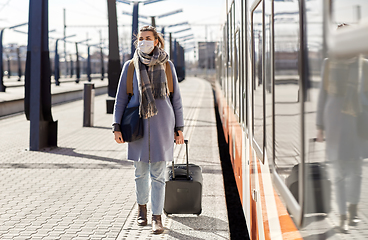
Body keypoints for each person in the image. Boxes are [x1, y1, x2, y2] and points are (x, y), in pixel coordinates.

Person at [112, 25, 184, 234]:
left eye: (148, 38)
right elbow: (120, 100)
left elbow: (176, 100)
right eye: (141, 38)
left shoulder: (168, 66)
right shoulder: (130, 66)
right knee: (140, 172)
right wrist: (116, 126)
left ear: (156, 41)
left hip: (163, 126)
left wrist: (179, 128)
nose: (144, 41)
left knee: (159, 175)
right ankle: (142, 210)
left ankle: (156, 217)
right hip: (137, 126)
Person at [316, 51, 366, 232]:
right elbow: (322, 94)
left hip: (357, 124)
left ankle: (353, 211)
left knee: (356, 172)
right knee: (338, 173)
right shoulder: (329, 63)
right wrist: (319, 126)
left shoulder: (363, 64)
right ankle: (343, 217)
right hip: (335, 122)